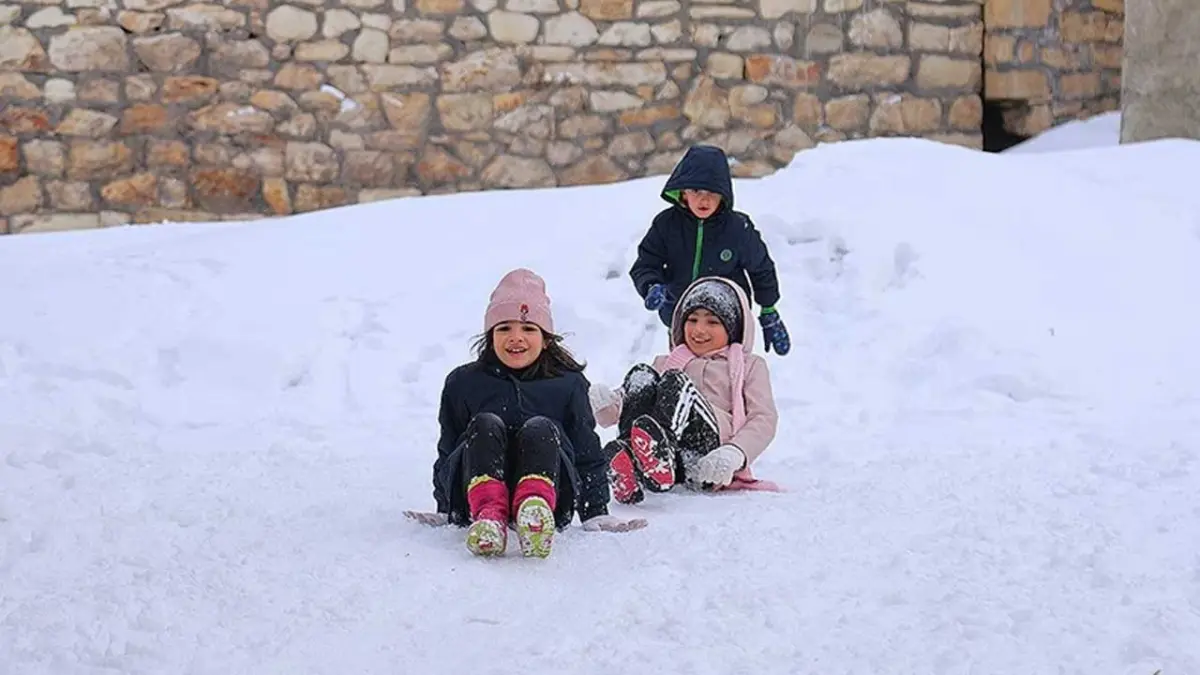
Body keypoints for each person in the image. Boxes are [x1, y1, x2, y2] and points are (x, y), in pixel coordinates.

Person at [413, 269, 645, 558]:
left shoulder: (568, 384)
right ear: (490, 336)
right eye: (504, 328)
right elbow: (449, 448)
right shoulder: (463, 383)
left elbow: (586, 449)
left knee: (541, 428)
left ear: (546, 338)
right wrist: (445, 507)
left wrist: (595, 510)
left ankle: (534, 510)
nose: (516, 338)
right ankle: (489, 514)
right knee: (484, 424)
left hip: (551, 497)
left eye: (528, 329)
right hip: (474, 497)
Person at [589, 276, 781, 505]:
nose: (699, 330)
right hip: (671, 467)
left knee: (675, 381)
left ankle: (659, 453)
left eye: (712, 322)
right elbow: (629, 401)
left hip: (709, 459)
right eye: (692, 319)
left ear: (733, 328)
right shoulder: (665, 362)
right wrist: (607, 404)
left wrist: (735, 452)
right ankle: (631, 460)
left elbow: (763, 418)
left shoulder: (749, 365)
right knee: (642, 375)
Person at [629, 143, 792, 356]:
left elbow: (761, 267)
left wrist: (769, 309)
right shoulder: (666, 225)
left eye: (712, 192)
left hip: (726, 323)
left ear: (723, 194)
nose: (704, 199)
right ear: (683, 192)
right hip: (682, 320)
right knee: (685, 369)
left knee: (724, 372)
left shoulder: (737, 228)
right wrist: (652, 285)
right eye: (696, 191)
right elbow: (646, 263)